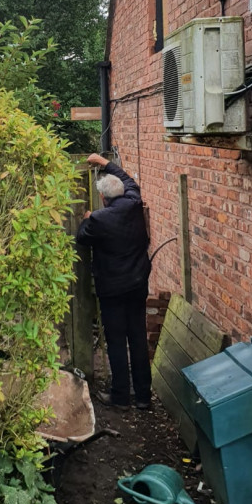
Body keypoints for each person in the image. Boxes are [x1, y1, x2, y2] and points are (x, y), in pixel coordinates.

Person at [76, 153, 152, 409]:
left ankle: (120, 397)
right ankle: (143, 397)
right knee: (138, 337)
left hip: (113, 290)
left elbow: (82, 238)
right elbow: (128, 180)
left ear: (103, 198)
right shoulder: (133, 201)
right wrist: (104, 162)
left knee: (117, 341)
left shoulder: (99, 219)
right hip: (138, 283)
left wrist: (86, 219)